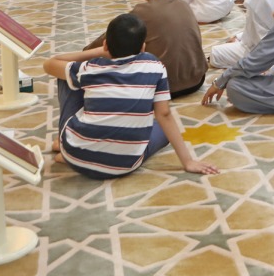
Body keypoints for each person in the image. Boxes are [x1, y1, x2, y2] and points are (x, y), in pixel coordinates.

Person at [41, 13, 218, 179]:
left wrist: (97, 52)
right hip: (125, 165)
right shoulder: (154, 66)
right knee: (163, 130)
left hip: (76, 156)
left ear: (105, 45)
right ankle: (76, 147)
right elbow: (164, 114)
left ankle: (66, 147)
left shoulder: (90, 68)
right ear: (143, 47)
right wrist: (188, 162)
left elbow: (50, 64)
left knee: (66, 75)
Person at [83, 0, 207, 98]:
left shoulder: (141, 11)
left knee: (120, 53)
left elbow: (111, 37)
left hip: (164, 86)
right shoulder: (183, 4)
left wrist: (86, 52)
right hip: (197, 79)